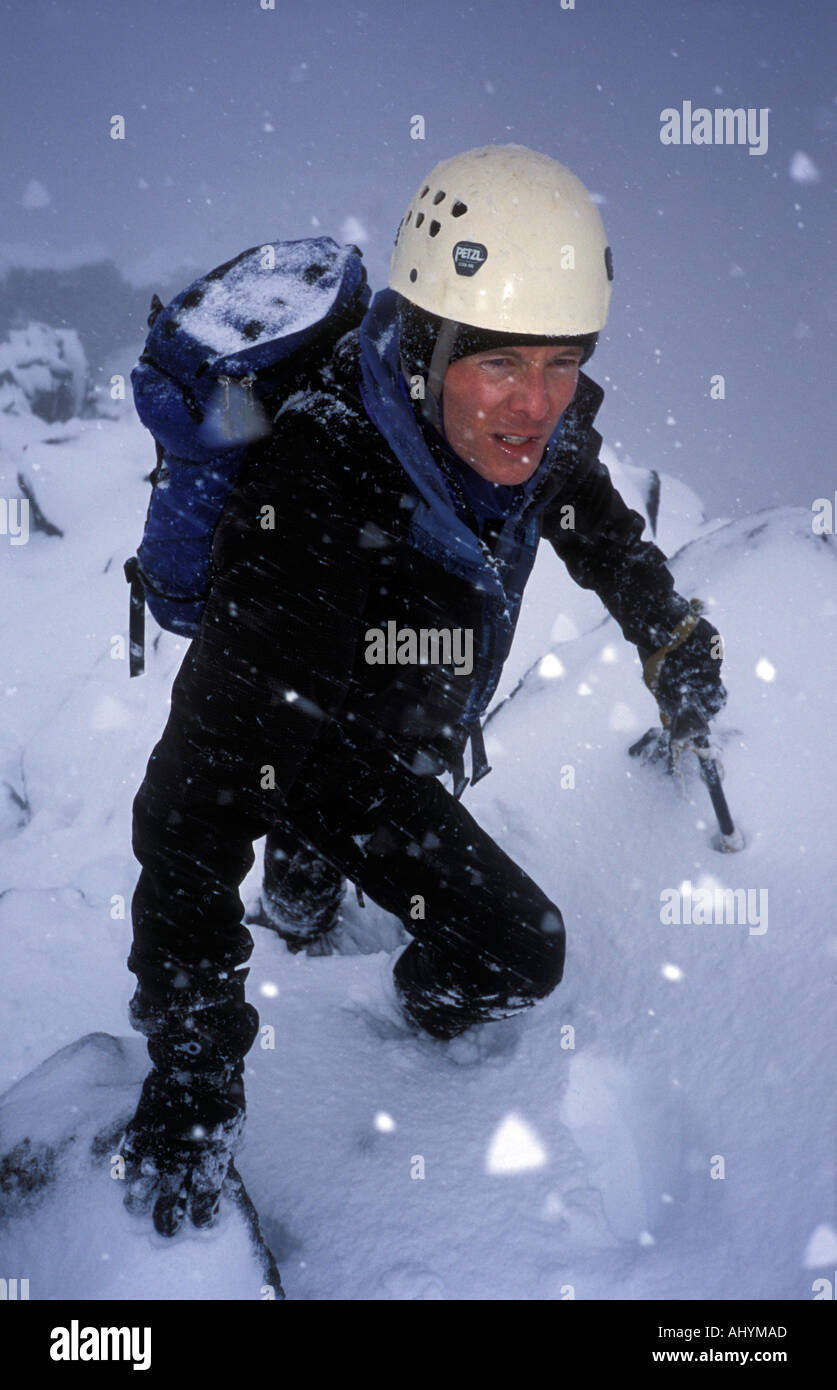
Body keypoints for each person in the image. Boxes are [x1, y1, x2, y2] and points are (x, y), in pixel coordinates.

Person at [120, 144, 726, 1238]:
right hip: (318, 739)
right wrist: (197, 1064)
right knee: (516, 948)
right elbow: (190, 815)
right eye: (502, 365)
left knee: (311, 867)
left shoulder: (529, 439)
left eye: (562, 362)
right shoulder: (310, 493)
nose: (536, 406)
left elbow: (600, 528)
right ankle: (380, 985)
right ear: (429, 348)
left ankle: (305, 894)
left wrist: (670, 635)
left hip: (400, 728)